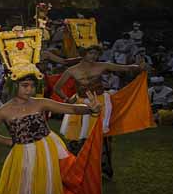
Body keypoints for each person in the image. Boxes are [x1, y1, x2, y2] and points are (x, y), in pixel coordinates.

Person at [0, 26, 102, 194]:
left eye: (31, 85)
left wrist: (91, 110)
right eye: (24, 85)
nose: (29, 89)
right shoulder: (4, 110)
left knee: (44, 193)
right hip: (21, 154)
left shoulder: (40, 102)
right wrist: (8, 142)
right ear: (12, 84)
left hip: (46, 150)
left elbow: (71, 109)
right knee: (17, 193)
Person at [54, 20, 144, 180]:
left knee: (102, 137)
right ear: (83, 53)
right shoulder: (72, 70)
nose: (94, 56)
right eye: (91, 53)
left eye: (96, 53)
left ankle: (104, 171)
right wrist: (67, 99)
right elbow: (57, 88)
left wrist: (138, 67)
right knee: (77, 137)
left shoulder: (102, 65)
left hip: (100, 101)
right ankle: (75, 168)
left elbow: (123, 68)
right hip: (80, 104)